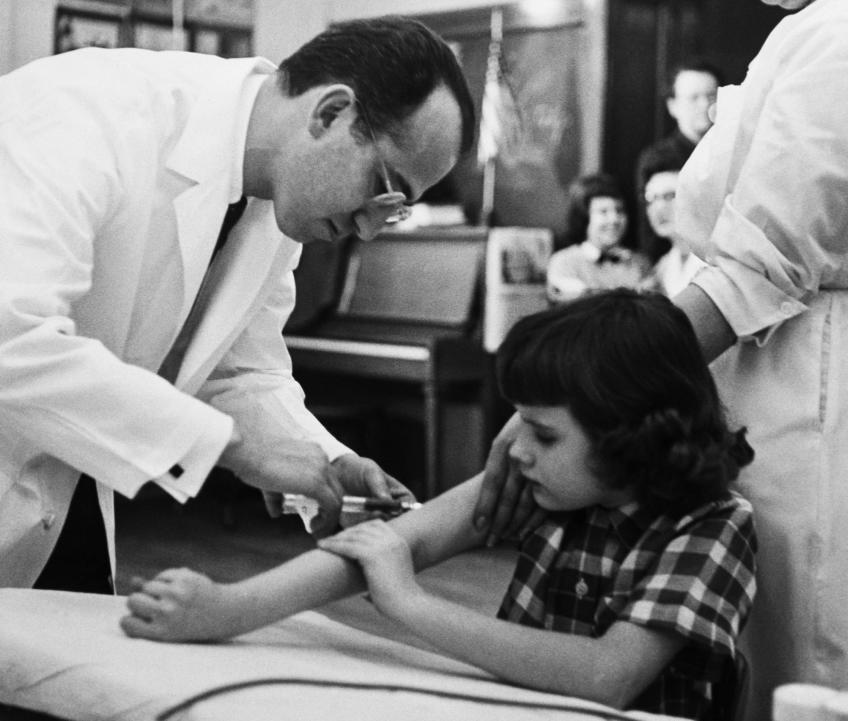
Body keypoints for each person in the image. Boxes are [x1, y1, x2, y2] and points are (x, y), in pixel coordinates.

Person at [476, 1, 848, 719]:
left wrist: (585, 395)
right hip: (839, 370)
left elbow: (754, 271)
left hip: (825, 395)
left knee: (818, 661)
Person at [121, 290, 758, 720]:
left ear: (628, 434)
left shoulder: (714, 527)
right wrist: (231, 608)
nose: (517, 451)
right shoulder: (556, 480)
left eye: (543, 433)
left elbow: (607, 678)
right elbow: (404, 540)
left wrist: (409, 603)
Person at [0, 16, 475, 591]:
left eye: (396, 210)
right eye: (385, 188)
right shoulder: (82, 109)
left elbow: (241, 373)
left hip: (63, 493)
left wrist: (325, 464)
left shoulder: (280, 195)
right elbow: (11, 339)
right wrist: (236, 450)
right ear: (331, 113)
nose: (371, 230)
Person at [635, 59, 723, 264]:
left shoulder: (734, 152)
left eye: (711, 96)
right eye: (694, 98)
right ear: (673, 106)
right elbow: (651, 231)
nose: (704, 105)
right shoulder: (657, 159)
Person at [545, 174, 655, 304]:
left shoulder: (640, 263)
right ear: (584, 218)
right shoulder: (564, 262)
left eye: (619, 211)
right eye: (603, 212)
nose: (614, 219)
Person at [638, 145, 707, 299]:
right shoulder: (662, 267)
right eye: (651, 199)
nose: (659, 208)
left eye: (670, 196)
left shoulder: (714, 258)